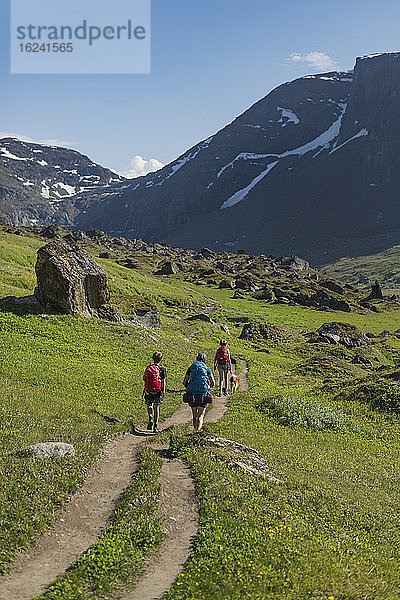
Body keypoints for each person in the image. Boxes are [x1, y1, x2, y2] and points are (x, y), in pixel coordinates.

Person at [183, 353, 215, 431]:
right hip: (203, 394)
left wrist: (189, 387)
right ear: (205, 360)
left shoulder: (191, 368)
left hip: (192, 394)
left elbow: (184, 382)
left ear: (196, 359)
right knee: (200, 415)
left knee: (194, 415)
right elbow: (213, 382)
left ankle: (194, 429)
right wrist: (208, 387)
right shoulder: (207, 368)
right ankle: (198, 431)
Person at [143, 351, 166, 433]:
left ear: (153, 359)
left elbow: (144, 378)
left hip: (149, 390)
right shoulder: (162, 369)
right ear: (161, 359)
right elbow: (163, 381)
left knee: (149, 405)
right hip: (158, 391)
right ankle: (155, 427)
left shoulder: (148, 368)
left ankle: (150, 418)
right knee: (156, 407)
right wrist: (163, 391)